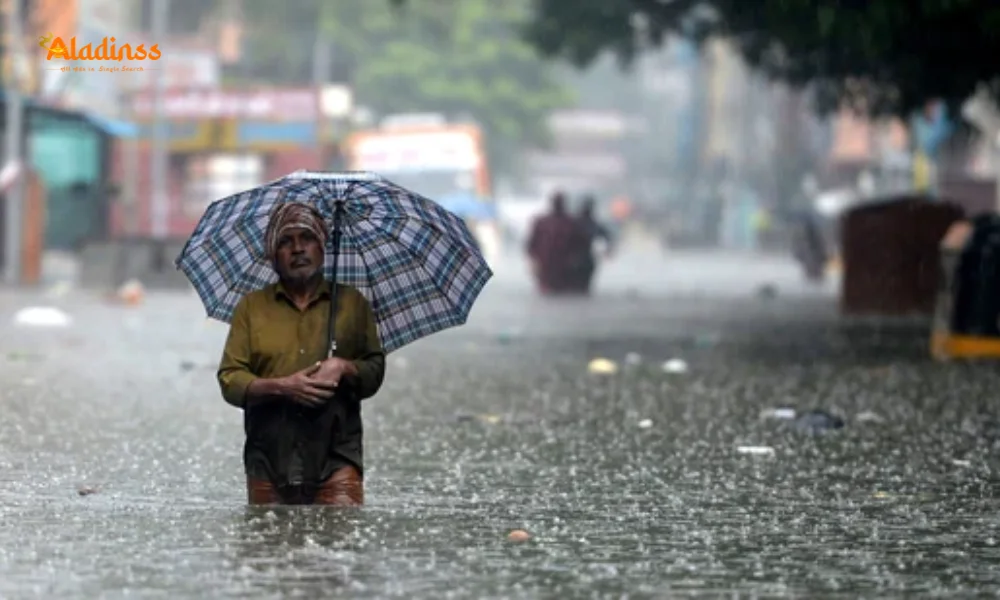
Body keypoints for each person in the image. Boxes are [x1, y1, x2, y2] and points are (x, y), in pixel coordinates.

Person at [217, 202, 386, 506]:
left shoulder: (351, 304)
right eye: (285, 242)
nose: (297, 249)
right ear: (272, 257)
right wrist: (283, 387)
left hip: (336, 457)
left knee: (341, 546)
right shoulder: (251, 308)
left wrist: (343, 367)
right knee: (268, 546)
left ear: (322, 248)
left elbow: (374, 372)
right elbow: (230, 380)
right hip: (268, 459)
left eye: (306, 238)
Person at [525, 191, 581, 295]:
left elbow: (578, 245)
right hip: (546, 265)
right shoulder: (542, 222)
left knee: (562, 292)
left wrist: (574, 260)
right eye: (556, 202)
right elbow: (531, 244)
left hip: (563, 267)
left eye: (559, 202)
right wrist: (533, 262)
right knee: (547, 291)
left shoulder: (571, 222)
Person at [571, 195, 613, 293]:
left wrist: (608, 250)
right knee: (578, 288)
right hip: (578, 259)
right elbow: (607, 237)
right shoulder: (576, 223)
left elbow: (607, 237)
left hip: (583, 259)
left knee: (580, 288)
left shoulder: (589, 223)